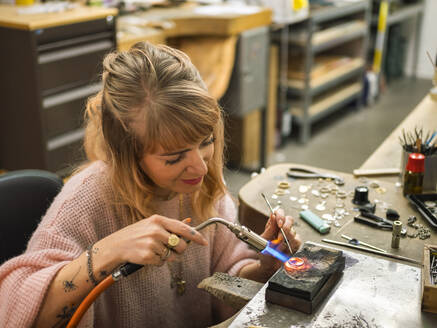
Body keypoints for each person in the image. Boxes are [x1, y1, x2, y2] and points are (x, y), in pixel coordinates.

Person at [0, 42, 301, 328]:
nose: (200, 165)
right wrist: (107, 252)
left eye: (205, 141)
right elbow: (15, 311)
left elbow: (227, 275)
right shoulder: (84, 200)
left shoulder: (201, 181)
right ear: (129, 156)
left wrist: (263, 268)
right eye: (173, 157)